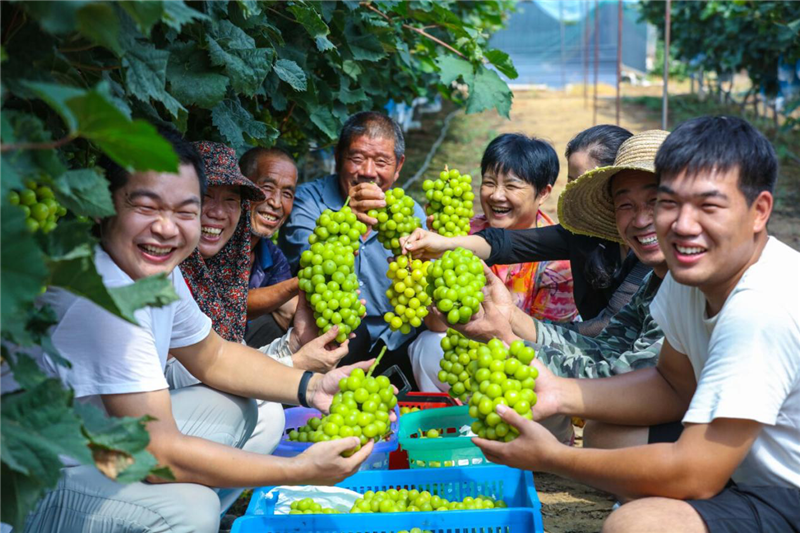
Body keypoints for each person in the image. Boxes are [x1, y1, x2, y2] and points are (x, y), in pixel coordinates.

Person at [24, 130, 376, 533]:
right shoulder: (106, 299)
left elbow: (215, 356)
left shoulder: (158, 274)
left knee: (248, 410)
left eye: (185, 211)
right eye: (146, 205)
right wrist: (297, 470)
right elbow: (158, 458)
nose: (166, 227)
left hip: (98, 445)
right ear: (103, 206)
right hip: (34, 479)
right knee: (190, 509)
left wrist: (312, 386)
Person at [471, 116, 800, 533]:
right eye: (668, 203)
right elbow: (670, 384)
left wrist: (553, 457)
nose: (680, 224)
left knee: (637, 525)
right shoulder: (687, 279)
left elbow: (695, 474)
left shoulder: (760, 309)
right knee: (608, 436)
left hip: (785, 491)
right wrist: (557, 392)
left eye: (709, 205)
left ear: (759, 212)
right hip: (747, 475)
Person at [435, 130, 671, 450]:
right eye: (625, 204)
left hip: (710, 431)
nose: (642, 219)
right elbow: (601, 349)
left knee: (606, 437)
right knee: (604, 435)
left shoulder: (683, 281)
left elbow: (621, 376)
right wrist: (509, 320)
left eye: (657, 202)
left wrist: (509, 339)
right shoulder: (653, 278)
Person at [404, 125, 650, 337]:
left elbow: (606, 329)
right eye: (572, 182)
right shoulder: (585, 236)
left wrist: (508, 320)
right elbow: (505, 243)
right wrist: (443, 243)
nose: (575, 194)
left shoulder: (652, 252)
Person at [409, 134, 577, 396]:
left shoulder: (558, 261)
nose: (497, 195)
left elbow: (550, 346)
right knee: (427, 344)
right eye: (489, 183)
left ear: (543, 193)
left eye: (512, 186)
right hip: (465, 358)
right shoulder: (461, 236)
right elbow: (437, 325)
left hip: (523, 361)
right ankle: (453, 426)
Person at [279, 111, 426, 380]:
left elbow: (420, 288)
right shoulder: (308, 202)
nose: (368, 172)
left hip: (392, 341)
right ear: (338, 157)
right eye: (356, 159)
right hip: (329, 338)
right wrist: (348, 216)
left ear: (399, 165)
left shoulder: (411, 215)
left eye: (381, 162)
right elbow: (310, 266)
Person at [239, 147, 300, 348]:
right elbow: (229, 301)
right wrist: (299, 284)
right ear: (241, 186)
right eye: (267, 187)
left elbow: (289, 308)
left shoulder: (274, 258)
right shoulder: (213, 240)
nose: (276, 202)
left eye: (287, 194)